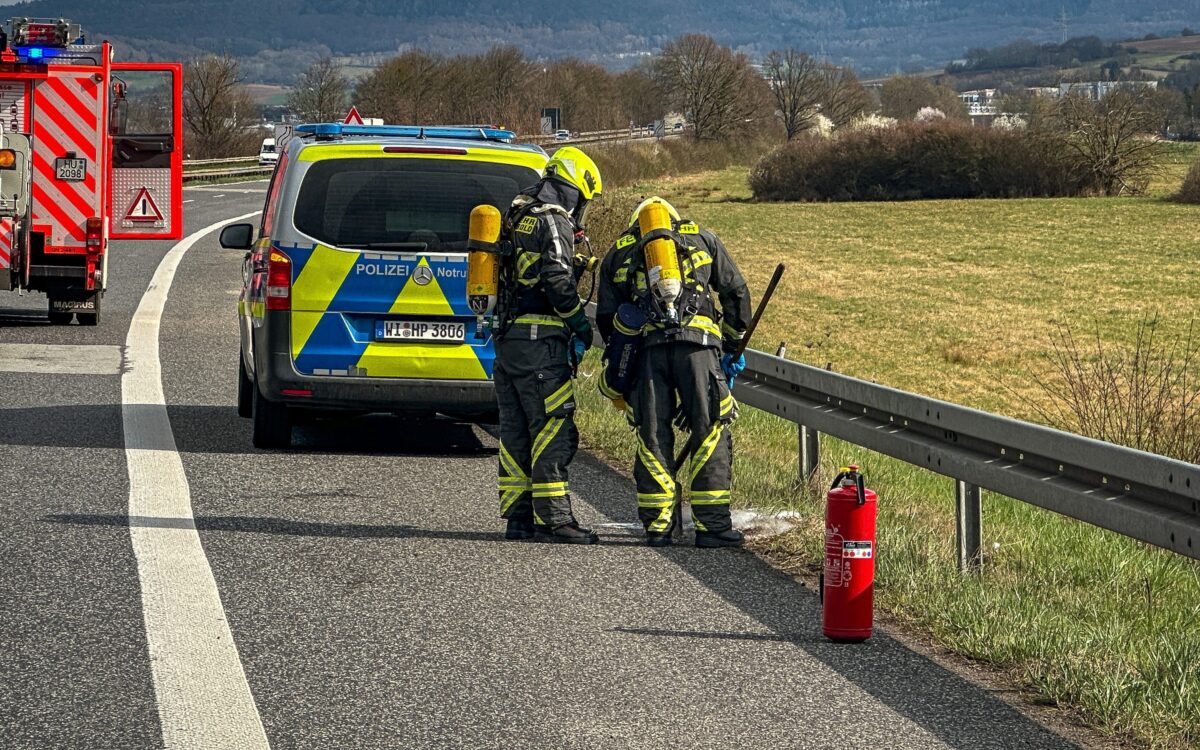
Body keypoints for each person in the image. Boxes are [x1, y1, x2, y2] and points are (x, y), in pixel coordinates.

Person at [596, 196, 751, 548]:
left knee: (652, 435)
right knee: (709, 429)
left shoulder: (619, 252)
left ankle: (659, 526)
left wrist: (625, 361)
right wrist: (731, 345)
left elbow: (608, 319)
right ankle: (712, 527)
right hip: (698, 350)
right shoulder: (702, 238)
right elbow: (736, 292)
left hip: (648, 353)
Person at [494, 147, 602, 544]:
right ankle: (556, 519)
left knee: (516, 430)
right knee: (552, 428)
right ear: (575, 189)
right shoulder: (553, 220)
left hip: (508, 340)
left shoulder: (517, 213)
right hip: (542, 345)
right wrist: (578, 324)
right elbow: (557, 282)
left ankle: (519, 518)